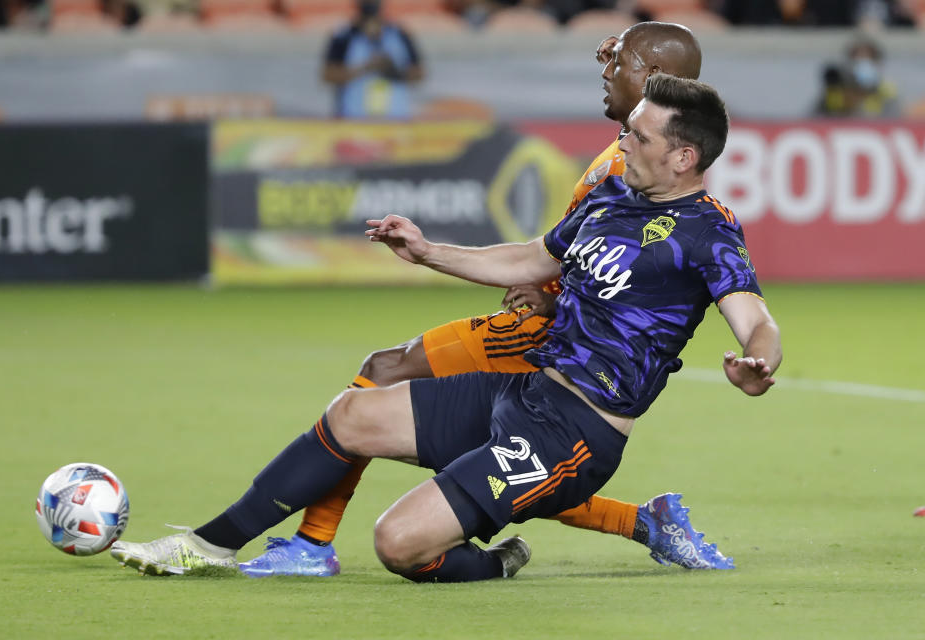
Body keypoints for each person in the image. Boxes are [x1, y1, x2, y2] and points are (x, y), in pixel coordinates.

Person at [110, 72, 782, 582]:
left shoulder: (710, 232)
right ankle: (208, 545)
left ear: (683, 158)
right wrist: (427, 250)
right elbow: (529, 258)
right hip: (524, 394)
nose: (623, 142)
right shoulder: (610, 199)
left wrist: (758, 361)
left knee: (396, 545)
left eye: (639, 135)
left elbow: (754, 317)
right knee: (352, 413)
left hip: (577, 433)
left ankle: (493, 564)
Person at [231, 21, 727, 579]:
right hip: (552, 319)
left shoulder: (632, 169)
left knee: (411, 387)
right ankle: (641, 522)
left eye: (623, 62)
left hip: (555, 339)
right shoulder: (632, 148)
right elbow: (563, 250)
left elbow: (611, 273)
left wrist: (548, 296)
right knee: (507, 455)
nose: (609, 68)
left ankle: (313, 544)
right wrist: (621, 61)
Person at [321, 0, 425, 120]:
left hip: (395, 121)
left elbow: (419, 73)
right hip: (353, 121)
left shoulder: (400, 34)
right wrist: (365, 68)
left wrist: (394, 71)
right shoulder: (344, 35)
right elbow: (328, 74)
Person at [815, 36, 899, 118]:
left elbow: (896, 120)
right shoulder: (835, 91)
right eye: (857, 57)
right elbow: (812, 119)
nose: (863, 62)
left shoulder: (886, 92)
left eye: (869, 57)